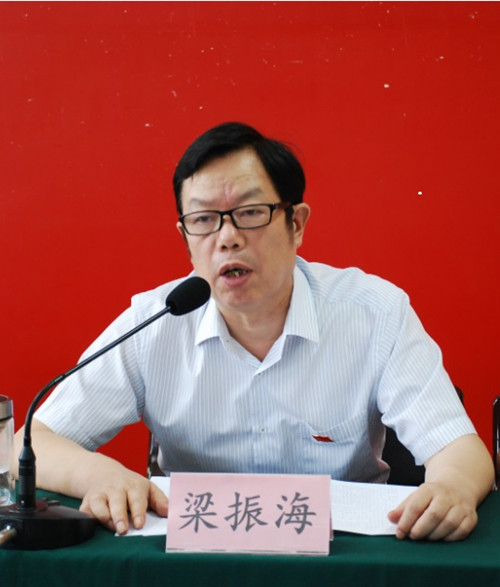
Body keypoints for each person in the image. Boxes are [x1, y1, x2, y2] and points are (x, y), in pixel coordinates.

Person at [13, 122, 494, 541]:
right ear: (186, 238)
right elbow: (29, 444)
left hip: (342, 555)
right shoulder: (154, 323)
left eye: (249, 213)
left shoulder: (374, 313)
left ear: (296, 224)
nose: (227, 237)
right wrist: (99, 473)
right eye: (204, 220)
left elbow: (458, 448)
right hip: (196, 557)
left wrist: (451, 487)